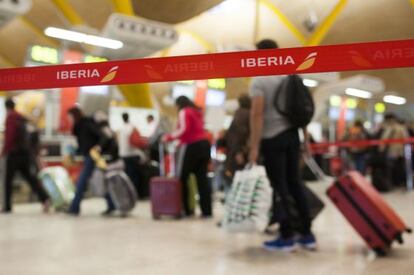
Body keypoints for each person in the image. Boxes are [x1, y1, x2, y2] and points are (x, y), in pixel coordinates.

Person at [249, 39, 316, 252]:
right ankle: (306, 234)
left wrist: (254, 145)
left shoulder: (259, 80)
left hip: (272, 138)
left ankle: (286, 236)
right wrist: (305, 140)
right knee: (294, 183)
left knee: (280, 186)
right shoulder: (290, 74)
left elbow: (257, 114)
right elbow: (302, 112)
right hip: (292, 136)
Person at [163, 96, 212, 218]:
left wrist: (168, 137)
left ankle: (187, 209)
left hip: (192, 147)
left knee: (182, 177)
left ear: (179, 104)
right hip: (204, 145)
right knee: (202, 179)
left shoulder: (184, 112)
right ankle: (207, 211)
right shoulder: (197, 112)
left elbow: (183, 130)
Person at [1, 98, 50, 213]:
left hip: (13, 154)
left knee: (7, 180)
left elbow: (10, 136)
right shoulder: (20, 117)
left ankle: (7, 207)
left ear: (6, 107)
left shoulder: (10, 117)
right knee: (30, 178)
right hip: (25, 153)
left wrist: (3, 151)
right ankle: (45, 198)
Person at [66, 106, 116, 216]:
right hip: (90, 156)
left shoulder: (86, 123)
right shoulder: (81, 126)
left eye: (69, 116)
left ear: (74, 115)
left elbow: (103, 136)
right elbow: (84, 143)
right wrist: (75, 153)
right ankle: (112, 204)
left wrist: (98, 147)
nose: (69, 119)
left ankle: (74, 208)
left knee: (81, 182)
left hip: (93, 156)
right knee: (100, 181)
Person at [118, 113, 146, 197]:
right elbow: (138, 142)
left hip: (123, 154)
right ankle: (135, 193)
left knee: (128, 175)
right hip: (132, 155)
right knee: (135, 175)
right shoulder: (132, 128)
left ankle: (128, 194)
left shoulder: (121, 129)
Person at [224, 95, 251, 182]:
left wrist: (238, 152)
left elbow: (238, 134)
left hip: (237, 152)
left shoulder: (241, 114)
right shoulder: (248, 113)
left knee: (236, 179)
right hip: (242, 151)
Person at [379, 113, 409, 187]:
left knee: (395, 168)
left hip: (395, 152)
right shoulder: (391, 128)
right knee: (393, 168)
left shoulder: (395, 128)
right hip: (393, 152)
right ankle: (395, 182)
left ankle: (396, 182)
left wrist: (381, 149)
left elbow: (406, 139)